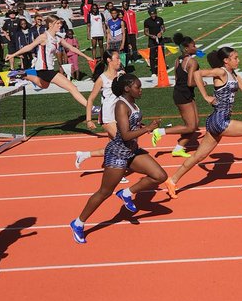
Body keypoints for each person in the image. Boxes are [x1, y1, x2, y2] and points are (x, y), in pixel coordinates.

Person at [68, 74, 169, 243]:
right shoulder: (121, 105)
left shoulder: (132, 103)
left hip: (132, 151)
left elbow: (132, 126)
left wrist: (146, 127)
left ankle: (126, 193)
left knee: (160, 176)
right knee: (105, 192)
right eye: (138, 87)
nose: (141, 90)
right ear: (127, 88)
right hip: (118, 154)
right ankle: (78, 223)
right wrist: (148, 128)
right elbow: (126, 134)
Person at [161, 47, 242, 198]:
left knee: (198, 156)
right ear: (226, 60)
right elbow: (197, 74)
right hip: (220, 120)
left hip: (215, 120)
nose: (238, 60)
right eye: (235, 58)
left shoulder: (233, 74)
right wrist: (205, 96)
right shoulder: (221, 72)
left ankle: (172, 180)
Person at [6, 16, 91, 108]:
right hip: (44, 69)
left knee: (44, 85)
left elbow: (72, 48)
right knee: (72, 87)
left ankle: (23, 74)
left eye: (60, 23)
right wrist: (13, 55)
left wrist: (87, 57)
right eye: (57, 23)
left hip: (47, 69)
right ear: (50, 25)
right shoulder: (44, 37)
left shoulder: (58, 38)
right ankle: (91, 108)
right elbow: (29, 47)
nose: (60, 25)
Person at [74, 50, 124, 169]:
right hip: (107, 116)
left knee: (113, 146)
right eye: (117, 58)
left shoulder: (122, 74)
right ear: (109, 60)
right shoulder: (102, 79)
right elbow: (90, 100)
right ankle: (116, 170)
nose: (120, 61)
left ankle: (85, 155)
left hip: (119, 114)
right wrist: (89, 120)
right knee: (121, 142)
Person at [161, 33, 202, 158]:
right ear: (186, 49)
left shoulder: (178, 59)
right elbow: (190, 82)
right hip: (183, 94)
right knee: (190, 127)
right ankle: (160, 131)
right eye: (193, 46)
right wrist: (202, 83)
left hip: (182, 92)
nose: (195, 48)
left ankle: (178, 149)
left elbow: (177, 77)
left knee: (195, 124)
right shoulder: (192, 62)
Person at [143, 7, 165, 75]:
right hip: (152, 40)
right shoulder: (147, 21)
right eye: (151, 14)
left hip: (160, 40)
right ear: (149, 14)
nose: (153, 15)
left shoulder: (160, 19)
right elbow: (145, 32)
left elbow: (163, 28)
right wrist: (150, 35)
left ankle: (162, 69)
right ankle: (153, 72)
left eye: (154, 14)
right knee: (152, 56)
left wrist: (161, 32)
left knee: (161, 55)